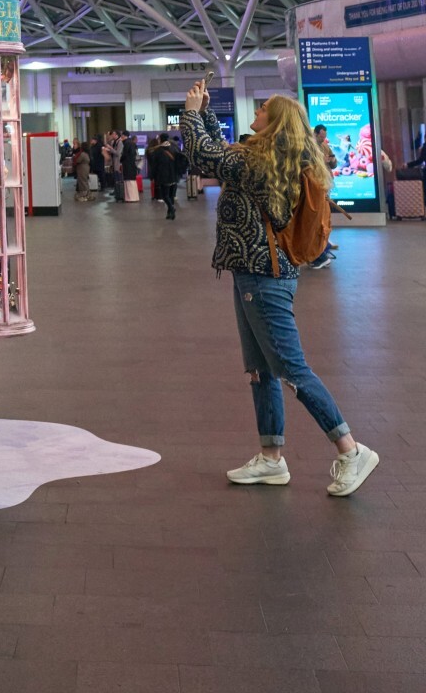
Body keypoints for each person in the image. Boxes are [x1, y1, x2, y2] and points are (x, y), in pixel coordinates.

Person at [180, 80, 378, 498]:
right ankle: (271, 459)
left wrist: (192, 112)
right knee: (261, 369)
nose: (257, 109)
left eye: (263, 107)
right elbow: (222, 151)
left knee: (290, 367)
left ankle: (351, 449)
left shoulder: (261, 159)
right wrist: (208, 113)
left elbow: (204, 156)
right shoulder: (264, 155)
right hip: (252, 273)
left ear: (276, 121)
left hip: (263, 276)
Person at [311, 125, 340, 267]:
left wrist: (332, 160)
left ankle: (324, 242)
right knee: (319, 215)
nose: (323, 139)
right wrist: (322, 160)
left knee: (325, 214)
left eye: (325, 137)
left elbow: (334, 164)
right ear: (315, 134)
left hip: (326, 182)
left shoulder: (325, 146)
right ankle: (321, 245)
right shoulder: (309, 146)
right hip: (316, 183)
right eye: (321, 136)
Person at [149, 134, 179, 219]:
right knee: (171, 195)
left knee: (165, 195)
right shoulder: (174, 148)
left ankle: (171, 208)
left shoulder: (158, 150)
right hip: (174, 175)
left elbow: (154, 165)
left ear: (160, 140)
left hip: (163, 175)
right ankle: (170, 213)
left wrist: (152, 176)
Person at [121, 133, 140, 202]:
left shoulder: (126, 143)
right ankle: (135, 197)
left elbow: (124, 155)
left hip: (127, 165)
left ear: (124, 136)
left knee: (128, 182)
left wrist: (121, 159)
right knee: (132, 182)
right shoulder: (132, 144)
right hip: (132, 165)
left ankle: (130, 198)